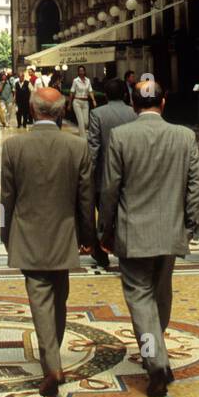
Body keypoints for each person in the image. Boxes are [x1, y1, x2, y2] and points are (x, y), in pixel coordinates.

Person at [98, 80, 199, 397]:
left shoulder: (121, 136)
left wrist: (106, 227)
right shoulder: (184, 136)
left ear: (133, 103)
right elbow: (195, 186)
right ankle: (157, 354)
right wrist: (190, 226)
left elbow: (110, 188)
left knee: (141, 300)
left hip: (134, 234)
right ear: (164, 100)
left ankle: (155, 362)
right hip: (170, 231)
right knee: (161, 295)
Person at [0, 86, 95, 397]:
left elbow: (6, 197)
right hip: (65, 234)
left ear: (31, 107)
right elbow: (86, 198)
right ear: (62, 111)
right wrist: (87, 236)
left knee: (41, 300)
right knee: (60, 296)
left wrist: (5, 232)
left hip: (28, 235)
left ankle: (52, 366)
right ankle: (54, 359)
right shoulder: (77, 146)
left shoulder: (14, 146)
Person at [86, 76, 135, 269]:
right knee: (125, 213)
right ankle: (125, 251)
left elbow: (94, 146)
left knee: (103, 215)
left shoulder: (98, 114)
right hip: (130, 172)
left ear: (105, 94)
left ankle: (101, 252)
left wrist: (88, 171)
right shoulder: (134, 113)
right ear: (125, 93)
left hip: (103, 174)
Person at [69, 65, 95, 133]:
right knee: (81, 122)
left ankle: (82, 133)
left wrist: (93, 100)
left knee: (86, 122)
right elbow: (72, 92)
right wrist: (69, 104)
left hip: (85, 102)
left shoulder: (88, 80)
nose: (81, 72)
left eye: (82, 70)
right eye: (80, 71)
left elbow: (90, 91)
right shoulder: (75, 80)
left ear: (84, 71)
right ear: (78, 72)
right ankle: (83, 139)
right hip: (77, 102)